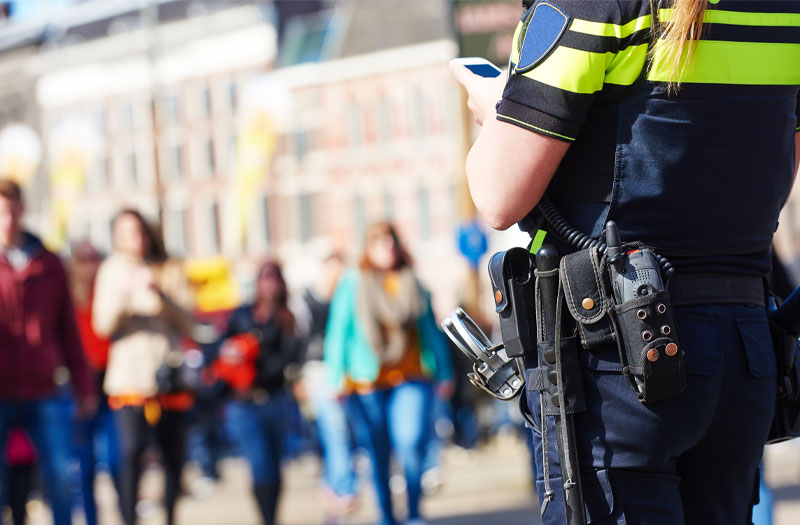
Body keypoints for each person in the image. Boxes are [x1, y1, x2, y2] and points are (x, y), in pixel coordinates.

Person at [451, 0, 800, 523]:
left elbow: (499, 195)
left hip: (618, 365)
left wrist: (498, 109)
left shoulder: (587, 6)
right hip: (743, 353)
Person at [324, 222, 453, 525]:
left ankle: (413, 512)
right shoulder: (354, 282)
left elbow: (429, 330)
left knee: (410, 443)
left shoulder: (410, 280)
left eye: (391, 242)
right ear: (368, 248)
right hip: (367, 379)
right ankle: (385, 515)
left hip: (411, 376)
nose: (387, 249)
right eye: (380, 243)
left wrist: (444, 371)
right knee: (377, 452)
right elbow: (338, 331)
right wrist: (335, 378)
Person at [0, 178, 97, 525]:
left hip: (43, 388)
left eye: (12, 211)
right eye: (1, 213)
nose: (7, 220)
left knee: (59, 479)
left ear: (22, 210)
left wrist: (83, 388)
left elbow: (68, 332)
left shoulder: (49, 263)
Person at [92, 208, 194, 525]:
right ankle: (128, 518)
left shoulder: (168, 267)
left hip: (168, 375)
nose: (135, 239)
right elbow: (102, 324)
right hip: (129, 381)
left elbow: (189, 320)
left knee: (173, 456)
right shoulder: (111, 271)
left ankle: (171, 517)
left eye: (139, 231)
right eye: (127, 233)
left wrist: (159, 293)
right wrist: (126, 294)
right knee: (130, 454)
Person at [220, 260, 299, 525]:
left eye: (273, 278)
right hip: (243, 404)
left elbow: (288, 358)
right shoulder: (241, 315)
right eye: (264, 278)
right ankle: (265, 519)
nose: (269, 284)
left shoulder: (287, 318)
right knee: (259, 464)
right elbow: (223, 351)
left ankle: (273, 517)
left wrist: (255, 368)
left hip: (274, 398)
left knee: (275, 467)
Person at [293, 252, 359, 520]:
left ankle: (335, 485)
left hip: (345, 371)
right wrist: (298, 376)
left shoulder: (348, 298)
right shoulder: (308, 300)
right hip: (319, 371)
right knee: (333, 430)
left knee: (342, 431)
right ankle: (342, 488)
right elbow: (299, 340)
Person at [69, 241, 120, 525]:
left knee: (117, 459)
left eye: (95, 259)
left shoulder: (109, 295)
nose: (90, 267)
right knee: (84, 464)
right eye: (84, 260)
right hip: (80, 386)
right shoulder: (68, 299)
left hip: (110, 383)